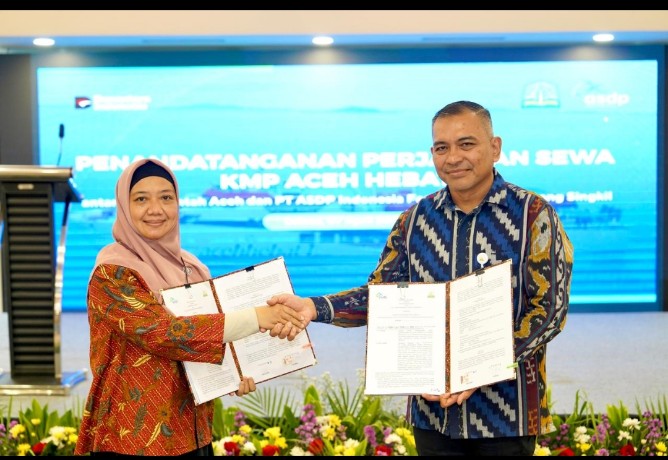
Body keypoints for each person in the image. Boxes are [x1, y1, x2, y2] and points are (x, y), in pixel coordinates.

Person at [268, 100, 574, 456]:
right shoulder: (414, 221)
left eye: (466, 144)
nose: (453, 157)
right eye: (442, 148)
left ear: (495, 148)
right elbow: (381, 298)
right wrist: (312, 307)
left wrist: (479, 368)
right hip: (432, 416)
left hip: (507, 414)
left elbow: (549, 310)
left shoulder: (533, 214)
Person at [74, 158, 305, 456]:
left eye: (166, 198)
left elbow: (203, 339)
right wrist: (258, 317)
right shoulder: (112, 273)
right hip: (133, 436)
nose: (155, 209)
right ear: (124, 206)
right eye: (141, 199)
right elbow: (164, 333)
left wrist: (234, 373)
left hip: (191, 429)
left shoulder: (192, 268)